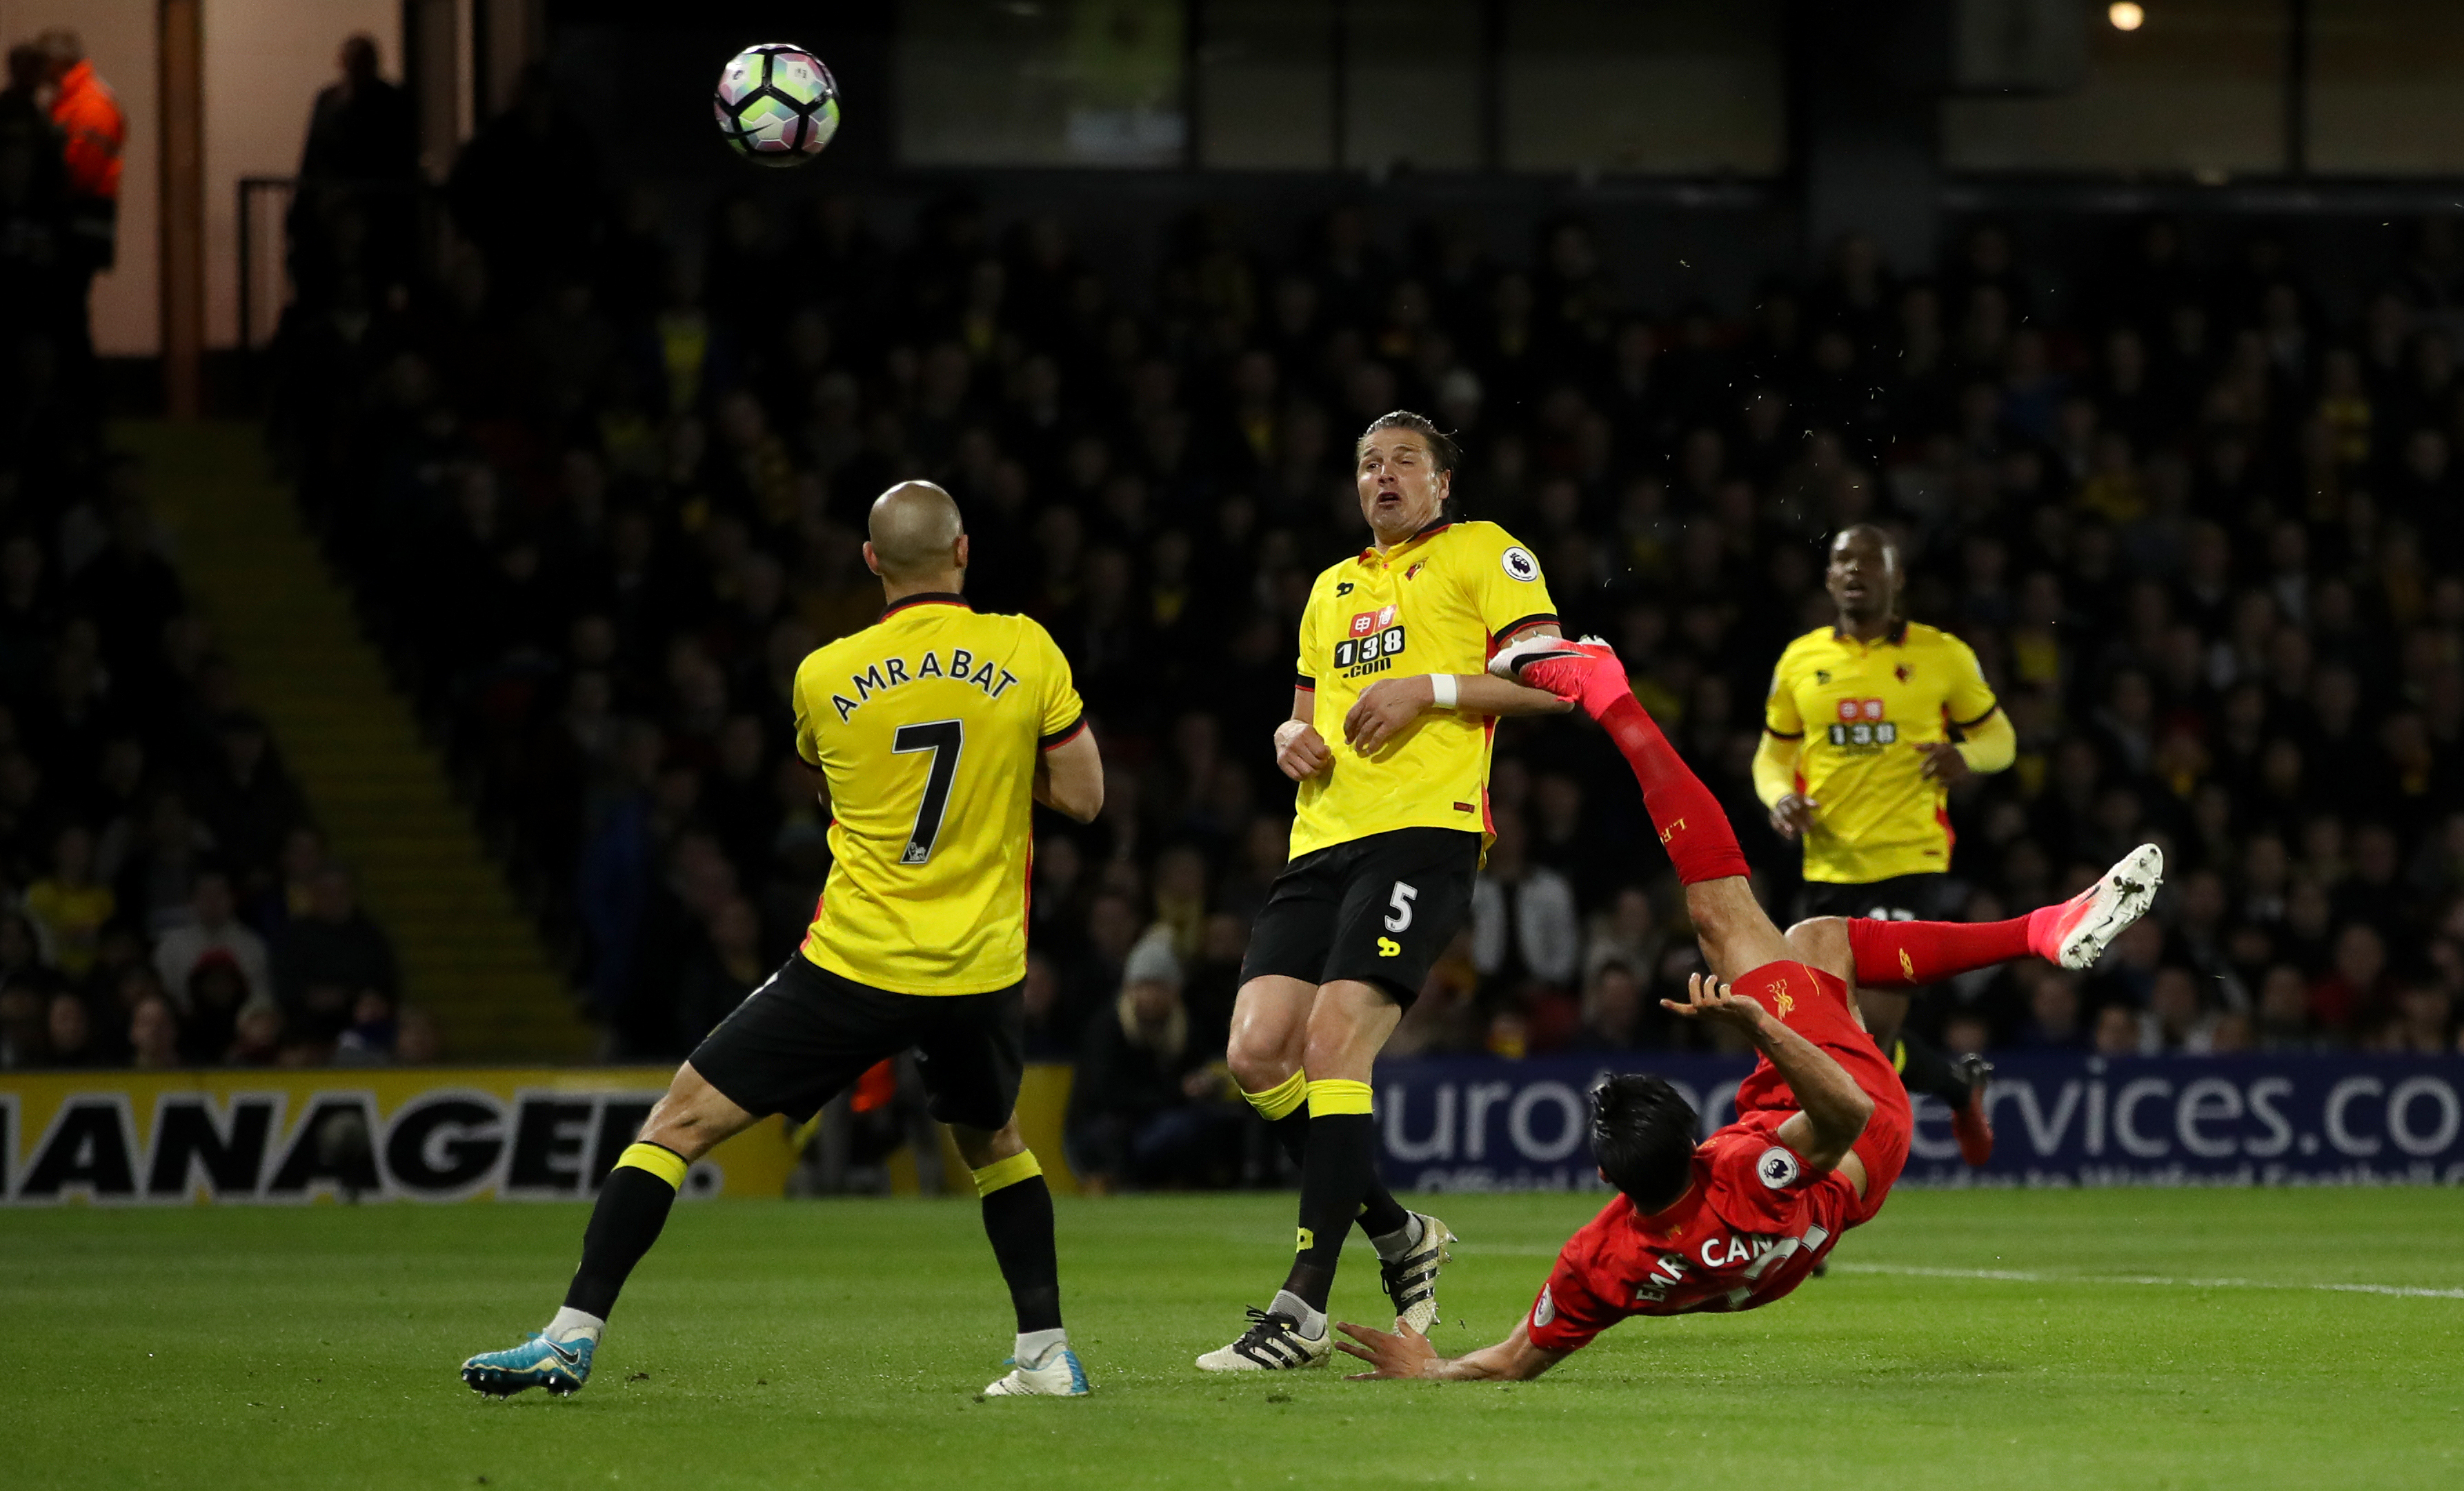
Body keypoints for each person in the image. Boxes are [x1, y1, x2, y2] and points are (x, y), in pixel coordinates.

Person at [1331, 636, 2160, 1382]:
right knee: (1720, 915)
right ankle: (1610, 692)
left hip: (1820, 1179)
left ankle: (2034, 932)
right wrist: (1755, 1022)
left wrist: (1435, 1372)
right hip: (1850, 1123)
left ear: (1604, 1179)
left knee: (1818, 939)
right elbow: (1844, 1108)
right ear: (1694, 1145)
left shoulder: (1598, 1262)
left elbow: (1514, 1358)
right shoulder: (1734, 1177)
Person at [459, 481, 1106, 1399]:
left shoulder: (823, 674)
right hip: (978, 964)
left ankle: (571, 1334)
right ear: (964, 553)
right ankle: (1044, 1355)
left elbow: (832, 792)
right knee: (996, 1140)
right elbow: (1084, 797)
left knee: (676, 1123)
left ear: (871, 561)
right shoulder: (1025, 645)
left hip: (857, 958)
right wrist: (1003, 768)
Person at [1199, 410, 1572, 1372]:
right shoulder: (1331, 587)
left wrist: (1430, 691)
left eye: (1406, 460)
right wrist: (1287, 739)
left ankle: (1302, 1308)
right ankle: (1401, 1232)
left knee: (1332, 1044)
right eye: (1369, 463)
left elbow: (1556, 683)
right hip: (1320, 840)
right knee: (1255, 1055)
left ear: (1445, 482)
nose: (1385, 475)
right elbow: (1300, 715)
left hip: (1424, 832)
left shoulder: (1485, 553)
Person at [1751, 524, 2018, 1164]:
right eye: (1843, 559)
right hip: (1827, 866)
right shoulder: (1800, 661)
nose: (1855, 570)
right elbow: (1772, 756)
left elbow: (2001, 740)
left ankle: (1822, 1191)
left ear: (1897, 580)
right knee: (1828, 1037)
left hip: (1907, 861)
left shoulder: (1943, 655)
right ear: (1827, 577)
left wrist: (1964, 755)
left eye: (1871, 562)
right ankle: (1956, 1088)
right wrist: (1778, 798)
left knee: (1868, 1030)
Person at [37, 29, 121, 374]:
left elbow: (80, 176)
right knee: (67, 318)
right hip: (79, 227)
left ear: (58, 63)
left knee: (68, 318)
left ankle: (79, 402)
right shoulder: (76, 100)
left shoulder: (90, 106)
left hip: (78, 228)